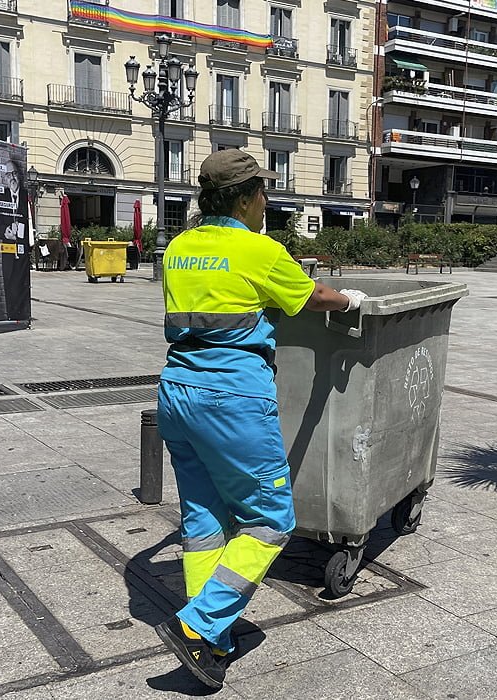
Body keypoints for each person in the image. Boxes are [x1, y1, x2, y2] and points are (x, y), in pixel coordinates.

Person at [153, 149, 366, 689]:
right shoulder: (258, 249)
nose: (267, 202)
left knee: (204, 518)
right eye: (263, 193)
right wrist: (350, 302)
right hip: (233, 397)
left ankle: (213, 639)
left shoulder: (179, 246)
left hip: (178, 391)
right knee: (272, 521)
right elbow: (312, 296)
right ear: (246, 198)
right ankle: (198, 625)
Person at [0, 157, 30, 320]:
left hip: (23, 249)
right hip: (8, 250)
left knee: (22, 283)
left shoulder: (25, 196)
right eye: (8, 175)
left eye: (14, 173)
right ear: (4, 179)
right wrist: (6, 232)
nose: (12, 178)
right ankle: (11, 315)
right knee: (9, 284)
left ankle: (22, 315)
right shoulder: (1, 198)